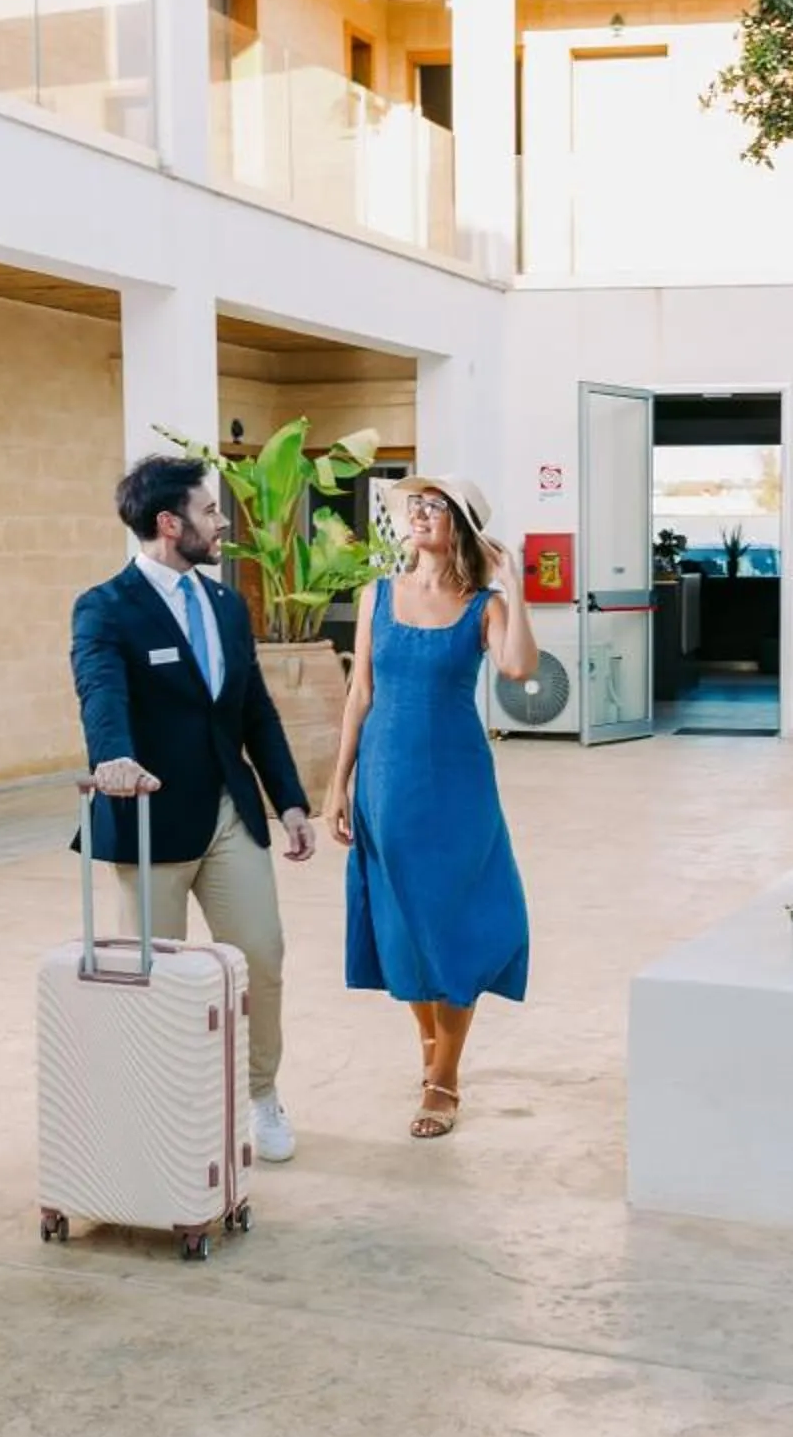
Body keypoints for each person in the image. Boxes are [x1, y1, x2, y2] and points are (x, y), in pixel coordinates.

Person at [70, 454, 314, 1164]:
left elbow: (255, 712)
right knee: (154, 976)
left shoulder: (227, 604)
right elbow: (100, 691)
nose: (223, 521)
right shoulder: (105, 607)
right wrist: (111, 757)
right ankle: (159, 1106)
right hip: (149, 821)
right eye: (210, 511)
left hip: (230, 812)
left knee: (260, 956)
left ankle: (261, 1094)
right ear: (170, 523)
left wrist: (289, 801)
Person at [323, 475, 533, 1138]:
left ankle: (444, 1079)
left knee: (455, 923)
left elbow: (519, 669)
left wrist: (516, 585)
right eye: (416, 503)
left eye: (436, 506)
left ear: (462, 528)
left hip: (457, 786)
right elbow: (361, 693)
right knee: (400, 927)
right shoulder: (376, 597)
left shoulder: (484, 606)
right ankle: (431, 1048)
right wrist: (337, 785)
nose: (420, 513)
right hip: (386, 782)